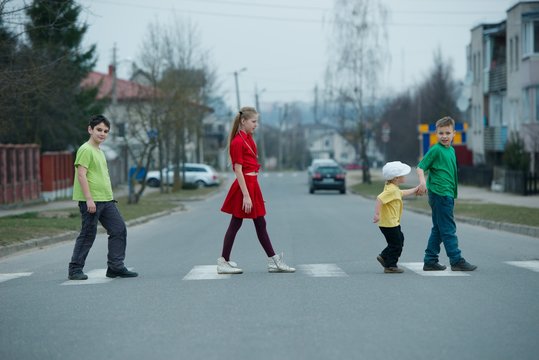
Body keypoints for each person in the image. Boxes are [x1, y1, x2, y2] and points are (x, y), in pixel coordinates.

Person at [217, 107, 295, 274]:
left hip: (252, 185)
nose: (256, 125)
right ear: (243, 121)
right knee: (237, 223)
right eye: (253, 121)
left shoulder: (249, 139)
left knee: (259, 223)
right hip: (244, 186)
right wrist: (246, 195)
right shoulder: (238, 142)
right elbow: (238, 170)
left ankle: (271, 260)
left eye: (257, 122)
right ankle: (224, 261)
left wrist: (255, 195)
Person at [68, 115, 138, 280]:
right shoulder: (85, 149)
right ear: (90, 129)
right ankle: (75, 269)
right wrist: (89, 199)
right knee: (88, 234)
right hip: (92, 201)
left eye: (106, 131)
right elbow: (81, 175)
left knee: (119, 229)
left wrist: (109, 197)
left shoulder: (99, 150)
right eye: (99, 130)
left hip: (107, 200)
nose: (102, 133)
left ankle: (115, 267)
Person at [417, 116, 477, 271]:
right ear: (436, 134)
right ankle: (456, 260)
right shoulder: (436, 150)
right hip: (439, 193)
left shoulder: (451, 150)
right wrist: (423, 182)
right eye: (441, 133)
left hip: (447, 194)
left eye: (447, 133)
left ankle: (430, 260)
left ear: (454, 133)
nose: (444, 136)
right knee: (448, 228)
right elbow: (420, 166)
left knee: (438, 228)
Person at [373, 161, 419, 273]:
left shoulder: (392, 187)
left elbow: (401, 193)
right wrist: (377, 214)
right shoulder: (391, 190)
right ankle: (391, 266)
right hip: (389, 223)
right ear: (396, 178)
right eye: (403, 175)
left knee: (398, 240)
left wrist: (415, 190)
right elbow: (379, 198)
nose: (405, 177)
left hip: (391, 223)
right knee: (396, 243)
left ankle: (384, 256)